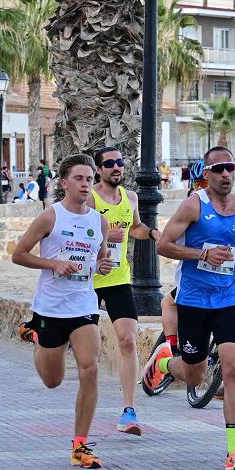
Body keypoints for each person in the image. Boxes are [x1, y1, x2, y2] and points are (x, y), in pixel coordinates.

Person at [143, 146, 235, 470]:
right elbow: (163, 245)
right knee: (195, 374)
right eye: (218, 169)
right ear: (207, 174)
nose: (226, 175)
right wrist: (201, 255)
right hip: (193, 301)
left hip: (230, 299)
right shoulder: (194, 205)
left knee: (233, 369)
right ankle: (162, 362)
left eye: (230, 168)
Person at [12, 154, 114, 468]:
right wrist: (53, 263)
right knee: (53, 381)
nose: (86, 185)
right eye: (79, 179)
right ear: (65, 182)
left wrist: (103, 265)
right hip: (51, 308)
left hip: (84, 305)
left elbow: (99, 259)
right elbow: (19, 255)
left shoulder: (100, 221)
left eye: (89, 179)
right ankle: (37, 337)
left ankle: (80, 445)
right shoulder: (50, 217)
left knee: (90, 369)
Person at [86, 147, 161, 436]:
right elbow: (79, 233)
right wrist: (105, 236)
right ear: (98, 170)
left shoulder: (131, 198)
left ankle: (129, 411)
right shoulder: (90, 198)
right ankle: (87, 406)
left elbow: (137, 227)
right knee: (88, 350)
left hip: (118, 278)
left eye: (120, 162)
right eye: (110, 164)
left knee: (128, 340)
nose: (117, 167)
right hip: (90, 282)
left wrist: (152, 234)